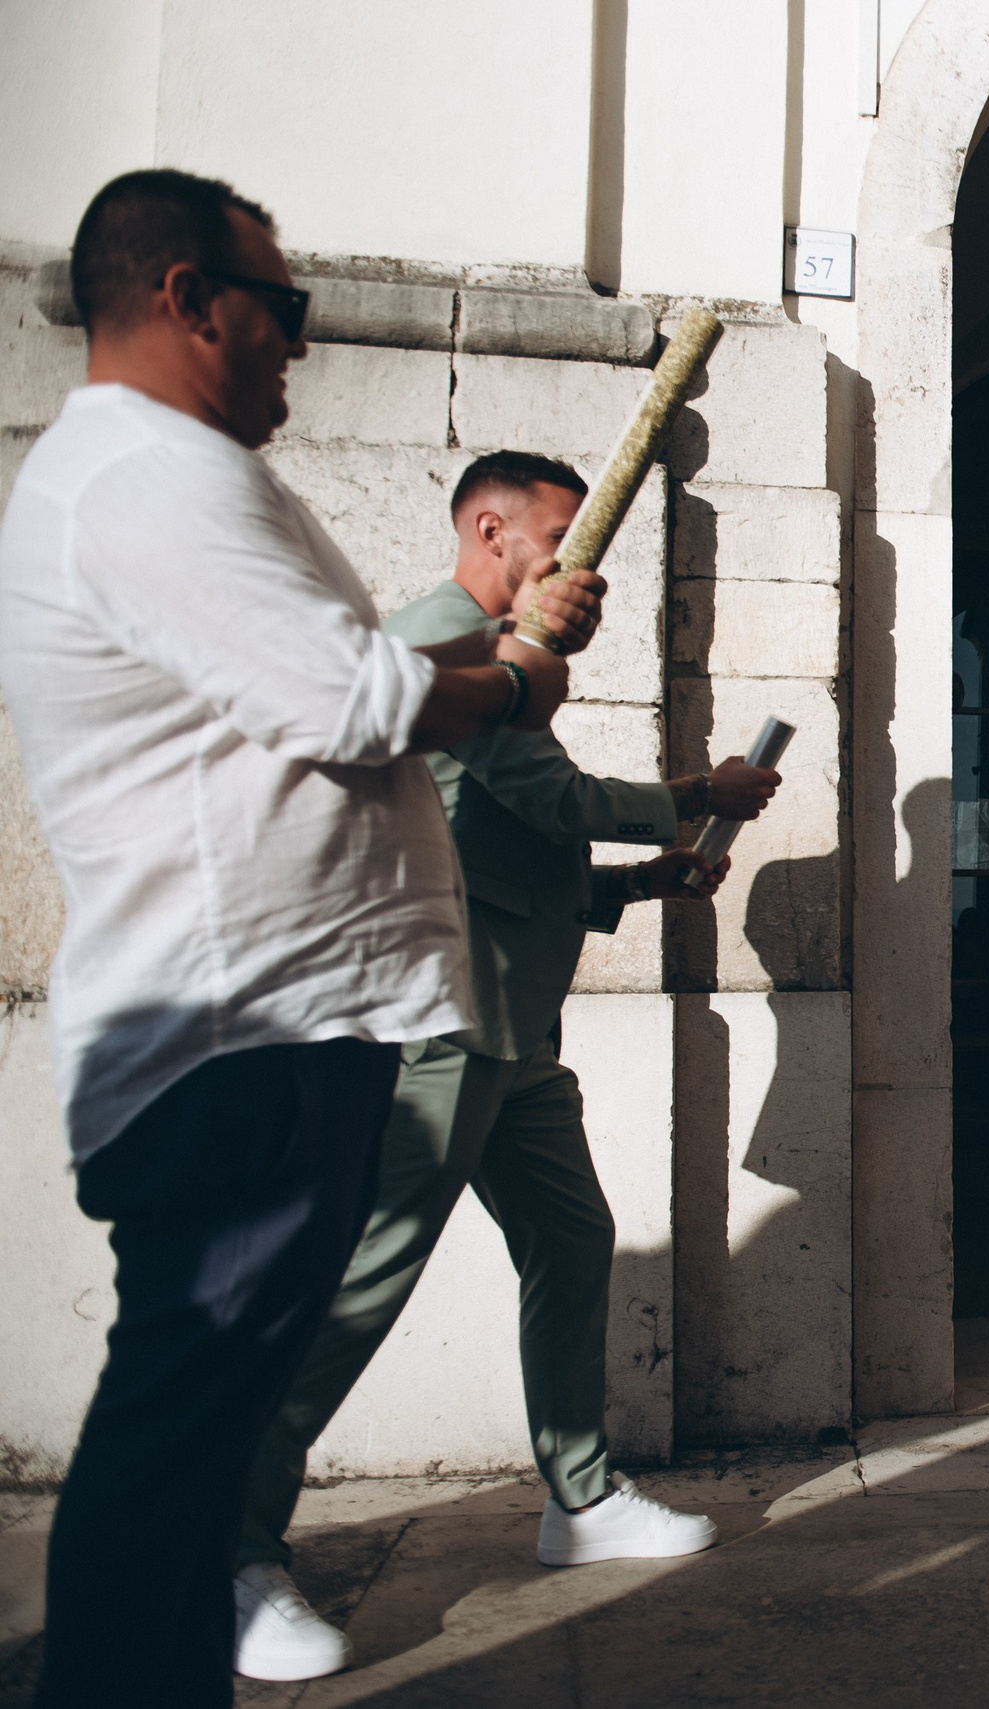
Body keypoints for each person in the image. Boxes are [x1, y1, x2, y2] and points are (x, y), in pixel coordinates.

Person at [0, 169, 606, 1709]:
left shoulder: (180, 475)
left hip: (284, 1030)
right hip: (233, 1037)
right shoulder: (145, 476)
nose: (301, 345)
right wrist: (525, 672)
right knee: (178, 1440)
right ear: (188, 299)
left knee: (196, 1431)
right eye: (284, 307)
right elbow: (352, 701)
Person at [227, 451, 783, 1682]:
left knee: (572, 1238)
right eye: (559, 538)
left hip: (513, 1031)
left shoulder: (497, 656)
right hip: (442, 1025)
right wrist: (696, 792)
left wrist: (644, 881)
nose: (580, 566)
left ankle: (578, 1497)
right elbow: (545, 792)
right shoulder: (443, 642)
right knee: (362, 1280)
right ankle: (230, 1542)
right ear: (490, 528)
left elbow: (498, 843)